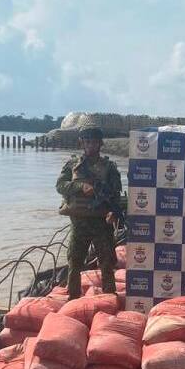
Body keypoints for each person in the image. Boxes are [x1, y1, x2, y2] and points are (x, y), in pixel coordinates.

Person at [56, 120, 122, 299]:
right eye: (87, 142)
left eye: (94, 142)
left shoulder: (110, 168)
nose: (91, 145)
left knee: (107, 262)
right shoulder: (72, 165)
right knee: (75, 262)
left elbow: (116, 196)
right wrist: (80, 187)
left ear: (100, 143)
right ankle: (73, 298)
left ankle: (109, 297)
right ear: (81, 143)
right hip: (79, 223)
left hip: (101, 223)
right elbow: (60, 185)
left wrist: (114, 213)